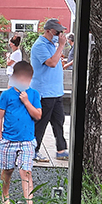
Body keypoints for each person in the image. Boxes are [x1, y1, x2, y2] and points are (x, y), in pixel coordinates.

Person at [0, 60, 42, 204]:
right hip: (8, 140)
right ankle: (5, 196)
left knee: (26, 172)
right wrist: (0, 138)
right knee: (7, 171)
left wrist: (26, 101)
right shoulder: (6, 95)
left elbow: (38, 115)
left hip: (27, 140)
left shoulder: (34, 94)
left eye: (27, 79)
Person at [30, 19, 68, 161]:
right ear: (48, 31)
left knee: (59, 121)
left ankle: (61, 149)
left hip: (56, 91)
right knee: (41, 122)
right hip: (44, 92)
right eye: (57, 32)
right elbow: (51, 63)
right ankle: (33, 150)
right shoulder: (40, 46)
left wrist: (59, 47)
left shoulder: (53, 45)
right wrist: (62, 46)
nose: (60, 34)